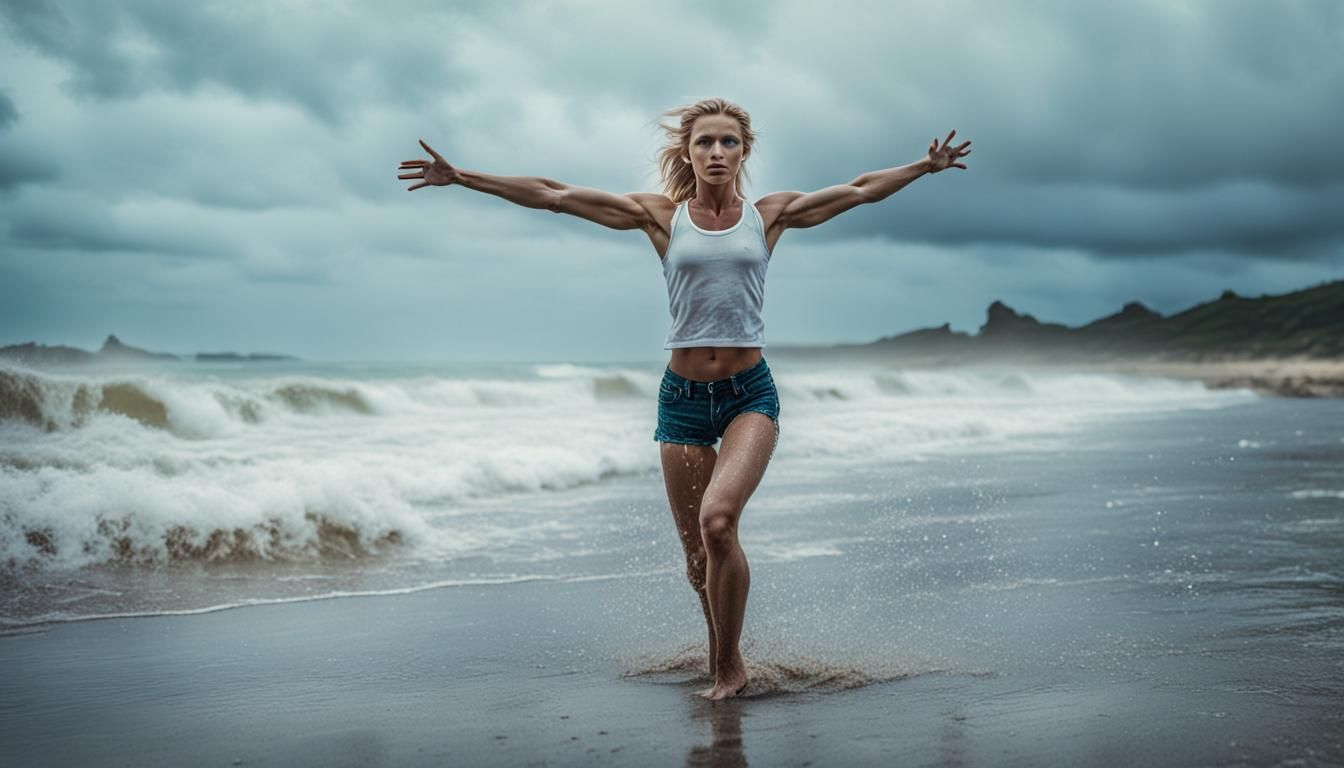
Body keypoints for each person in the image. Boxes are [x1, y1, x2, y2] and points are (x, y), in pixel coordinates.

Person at [397, 97, 971, 700]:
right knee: (698, 557)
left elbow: (857, 190)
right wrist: (464, 178)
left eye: (728, 142)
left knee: (719, 522)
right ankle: (723, 649)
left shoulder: (767, 216)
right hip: (682, 399)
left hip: (749, 392)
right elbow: (555, 193)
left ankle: (728, 668)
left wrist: (921, 167)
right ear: (688, 151)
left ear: (744, 151)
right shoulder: (662, 217)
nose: (716, 152)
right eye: (704, 143)